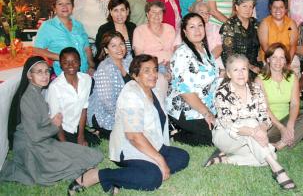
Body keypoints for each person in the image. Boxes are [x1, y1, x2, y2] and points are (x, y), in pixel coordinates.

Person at [1, 56, 103, 188]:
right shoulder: (28, 98)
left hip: (45, 141)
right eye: (39, 72)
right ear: (29, 75)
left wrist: (51, 122)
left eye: (46, 71)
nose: (45, 76)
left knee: (92, 155)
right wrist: (54, 125)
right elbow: (35, 136)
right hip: (32, 147)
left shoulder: (37, 91)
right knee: (74, 166)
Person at [100, 54, 189, 193]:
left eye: (154, 69)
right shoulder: (131, 95)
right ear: (135, 75)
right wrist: (160, 159)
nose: (153, 74)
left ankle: (136, 172)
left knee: (182, 157)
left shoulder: (153, 90)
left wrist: (159, 158)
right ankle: (104, 175)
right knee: (152, 178)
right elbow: (133, 137)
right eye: (147, 71)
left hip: (153, 143)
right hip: (129, 147)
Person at [209, 54, 296, 190]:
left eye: (244, 69)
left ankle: (225, 160)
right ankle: (278, 170)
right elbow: (228, 125)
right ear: (229, 74)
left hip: (248, 139)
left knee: (268, 155)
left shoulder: (256, 89)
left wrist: (261, 129)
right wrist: (254, 132)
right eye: (235, 70)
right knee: (251, 123)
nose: (240, 73)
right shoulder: (222, 93)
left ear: (248, 71)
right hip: (225, 137)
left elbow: (265, 118)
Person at [165, 13, 219, 146]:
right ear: (184, 31)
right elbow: (186, 92)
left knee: (225, 130)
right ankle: (176, 133)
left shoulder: (204, 49)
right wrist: (207, 114)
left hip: (207, 104)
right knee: (212, 138)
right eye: (192, 27)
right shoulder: (183, 54)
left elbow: (211, 73)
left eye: (200, 25)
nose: (198, 30)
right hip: (186, 107)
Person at [256, 43, 303, 150]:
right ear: (268, 59)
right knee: (263, 135)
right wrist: (281, 127)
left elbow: (294, 104)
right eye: (274, 57)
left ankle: (279, 145)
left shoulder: (292, 77)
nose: (278, 62)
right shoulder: (260, 80)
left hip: (287, 118)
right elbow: (264, 109)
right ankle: (296, 135)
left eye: (281, 57)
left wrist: (291, 125)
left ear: (285, 60)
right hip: (268, 124)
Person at [46, 47, 100, 147]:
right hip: (60, 128)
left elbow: (84, 108)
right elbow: (55, 120)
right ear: (61, 65)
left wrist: (81, 136)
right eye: (66, 62)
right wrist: (65, 145)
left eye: (74, 61)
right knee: (74, 153)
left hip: (77, 126)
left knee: (92, 143)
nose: (70, 65)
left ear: (80, 63)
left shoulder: (86, 79)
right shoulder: (55, 87)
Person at [34, 0, 95, 76]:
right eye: (60, 4)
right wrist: (61, 57)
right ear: (54, 8)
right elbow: (38, 49)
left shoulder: (78, 25)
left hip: (84, 72)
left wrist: (91, 66)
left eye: (68, 3)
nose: (64, 7)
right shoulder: (47, 26)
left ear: (72, 7)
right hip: (63, 74)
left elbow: (86, 48)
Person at [88, 31, 132, 139]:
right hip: (105, 113)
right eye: (114, 46)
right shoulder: (105, 68)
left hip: (125, 109)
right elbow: (107, 102)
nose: (119, 48)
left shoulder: (127, 62)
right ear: (106, 50)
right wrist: (124, 118)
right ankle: (100, 131)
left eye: (121, 44)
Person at [133, 0, 176, 100]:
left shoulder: (170, 29)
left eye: (160, 12)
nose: (157, 15)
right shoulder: (140, 30)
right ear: (147, 14)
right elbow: (139, 57)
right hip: (151, 67)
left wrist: (170, 66)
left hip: (171, 65)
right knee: (161, 81)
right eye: (153, 12)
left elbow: (176, 52)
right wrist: (158, 67)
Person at [221, 0, 262, 78]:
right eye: (244, 6)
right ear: (237, 7)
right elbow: (229, 54)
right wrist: (249, 66)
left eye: (251, 7)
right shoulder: (229, 26)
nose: (248, 10)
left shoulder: (255, 24)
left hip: (256, 65)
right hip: (236, 67)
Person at [258, 0, 300, 74]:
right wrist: (275, 62)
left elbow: (293, 46)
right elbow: (265, 46)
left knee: (292, 79)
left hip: (288, 58)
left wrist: (287, 63)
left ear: (286, 9)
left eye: (281, 7)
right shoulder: (265, 23)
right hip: (269, 59)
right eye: (275, 7)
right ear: (270, 9)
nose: (278, 10)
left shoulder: (291, 24)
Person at [95, 0, 136, 64]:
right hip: (111, 65)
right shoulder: (104, 29)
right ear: (110, 12)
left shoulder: (132, 27)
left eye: (122, 10)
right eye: (115, 10)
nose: (119, 14)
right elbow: (102, 53)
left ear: (127, 11)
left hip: (132, 65)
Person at [192, 1, 223, 69]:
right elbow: (178, 47)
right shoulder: (186, 27)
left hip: (213, 60)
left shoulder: (215, 28)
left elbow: (219, 47)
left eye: (207, 13)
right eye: (202, 12)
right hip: (191, 62)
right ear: (194, 14)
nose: (205, 15)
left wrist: (207, 61)